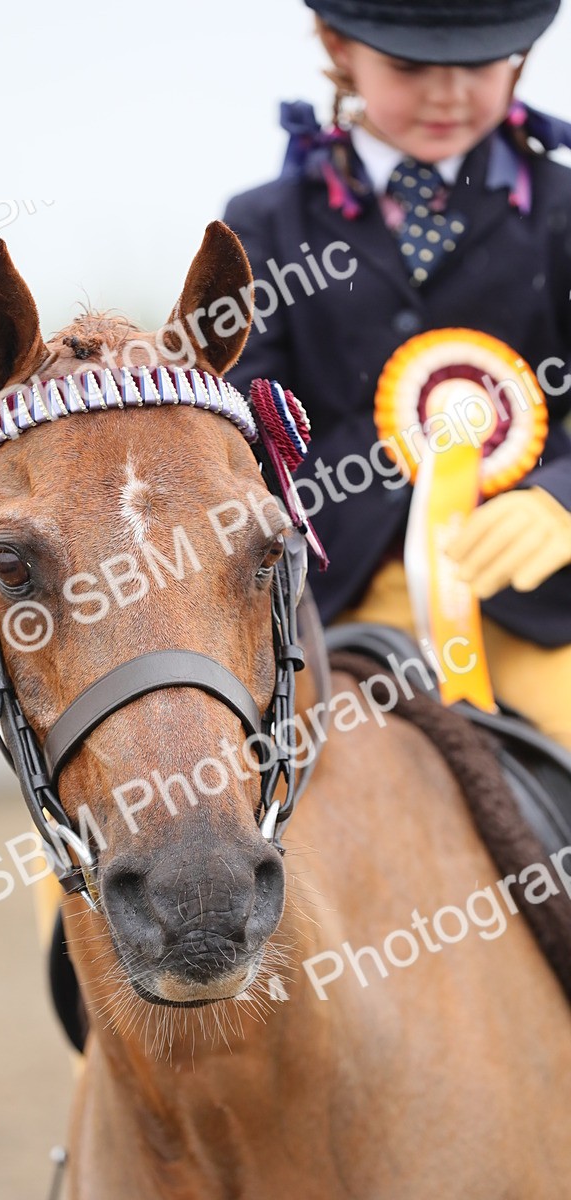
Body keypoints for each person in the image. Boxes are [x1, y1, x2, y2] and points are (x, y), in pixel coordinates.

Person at [223, 0, 571, 748]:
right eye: (410, 67)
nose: (447, 94)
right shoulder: (266, 223)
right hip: (329, 598)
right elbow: (242, 425)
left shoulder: (563, 211)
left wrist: (560, 501)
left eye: (477, 65)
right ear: (338, 45)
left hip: (533, 600)